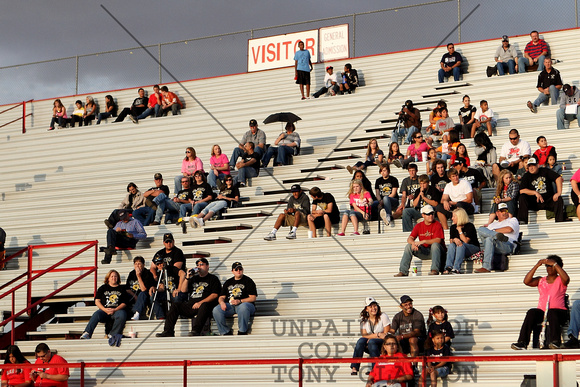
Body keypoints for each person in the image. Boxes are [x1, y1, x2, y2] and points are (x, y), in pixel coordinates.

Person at [511, 255, 569, 350]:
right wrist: (537, 265)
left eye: (551, 266)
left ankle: (555, 342)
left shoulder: (561, 280)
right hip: (543, 312)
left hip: (559, 312)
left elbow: (566, 279)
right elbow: (527, 281)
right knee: (532, 312)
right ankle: (522, 342)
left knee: (552, 312)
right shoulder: (541, 280)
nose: (549, 268)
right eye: (547, 266)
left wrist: (554, 263)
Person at [156, 257, 221, 337]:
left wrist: (200, 303)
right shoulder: (194, 278)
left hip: (204, 305)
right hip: (191, 305)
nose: (199, 267)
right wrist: (187, 278)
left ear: (207, 266)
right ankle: (168, 331)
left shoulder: (213, 278)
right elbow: (183, 291)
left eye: (201, 265)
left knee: (204, 305)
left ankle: (196, 331)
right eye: (197, 265)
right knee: (175, 305)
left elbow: (215, 295)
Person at [396, 205, 445, 276]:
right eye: (428, 214)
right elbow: (409, 238)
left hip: (438, 252)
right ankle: (403, 271)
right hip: (425, 251)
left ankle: (434, 270)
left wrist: (424, 241)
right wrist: (413, 243)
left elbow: (438, 240)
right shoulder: (419, 225)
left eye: (432, 214)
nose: (431, 216)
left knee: (435, 245)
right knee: (408, 246)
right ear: (423, 215)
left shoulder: (437, 224)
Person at [80, 269, 129, 341]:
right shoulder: (103, 288)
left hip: (117, 310)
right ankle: (87, 333)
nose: (114, 278)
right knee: (96, 314)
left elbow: (124, 303)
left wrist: (115, 309)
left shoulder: (122, 288)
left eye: (115, 276)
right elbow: (97, 301)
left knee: (122, 314)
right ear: (108, 278)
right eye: (112, 276)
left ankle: (112, 334)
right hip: (104, 310)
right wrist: (105, 309)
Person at [518, 157, 569, 224]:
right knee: (522, 197)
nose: (531, 168)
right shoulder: (526, 175)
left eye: (533, 165)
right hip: (534, 202)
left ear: (538, 165)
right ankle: (523, 221)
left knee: (559, 199)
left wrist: (558, 193)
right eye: (529, 166)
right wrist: (535, 193)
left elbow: (558, 178)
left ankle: (559, 222)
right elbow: (522, 190)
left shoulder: (545, 171)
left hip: (547, 200)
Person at [212, 261, 257, 335]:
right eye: (236, 269)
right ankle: (225, 331)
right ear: (232, 271)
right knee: (216, 310)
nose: (238, 271)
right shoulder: (228, 282)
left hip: (245, 305)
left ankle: (242, 331)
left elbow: (253, 298)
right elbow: (221, 297)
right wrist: (222, 302)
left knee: (243, 307)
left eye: (240, 269)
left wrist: (240, 301)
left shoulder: (248, 281)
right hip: (230, 306)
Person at [350, 297, 391, 376]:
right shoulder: (364, 320)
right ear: (366, 309)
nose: (373, 308)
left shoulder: (383, 316)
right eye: (370, 306)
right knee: (360, 341)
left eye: (374, 305)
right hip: (372, 342)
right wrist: (377, 335)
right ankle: (354, 367)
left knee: (372, 342)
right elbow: (364, 335)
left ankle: (375, 368)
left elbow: (386, 333)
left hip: (383, 342)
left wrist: (373, 337)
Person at [475, 203, 520, 273]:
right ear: (497, 213)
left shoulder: (512, 220)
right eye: (502, 211)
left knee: (489, 238)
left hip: (508, 244)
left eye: (506, 210)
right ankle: (496, 235)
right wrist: (496, 234)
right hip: (494, 243)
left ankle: (486, 267)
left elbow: (509, 229)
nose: (505, 212)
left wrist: (493, 231)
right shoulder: (493, 224)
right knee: (481, 229)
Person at [149, 253, 186, 319]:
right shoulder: (159, 273)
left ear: (164, 262)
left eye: (161, 263)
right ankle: (160, 316)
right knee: (153, 295)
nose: (160, 265)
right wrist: (155, 289)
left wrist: (179, 288)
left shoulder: (171, 268)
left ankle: (176, 316)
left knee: (177, 297)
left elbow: (183, 274)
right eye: (157, 264)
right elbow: (162, 287)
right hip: (165, 293)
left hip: (174, 292)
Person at [443, 208, 480, 274]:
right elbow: (451, 241)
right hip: (459, 247)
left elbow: (466, 241)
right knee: (452, 245)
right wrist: (454, 240)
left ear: (459, 217)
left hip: (472, 247)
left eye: (454, 216)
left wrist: (460, 231)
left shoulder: (470, 226)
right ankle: (448, 267)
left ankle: (456, 268)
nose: (452, 218)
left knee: (461, 245)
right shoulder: (453, 227)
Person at [125, 256, 155, 321]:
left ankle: (137, 313)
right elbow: (127, 288)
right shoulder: (132, 273)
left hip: (144, 295)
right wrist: (134, 296)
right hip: (133, 295)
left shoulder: (148, 273)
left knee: (142, 294)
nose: (137, 266)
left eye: (139, 263)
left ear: (143, 265)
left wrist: (138, 276)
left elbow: (144, 289)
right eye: (135, 264)